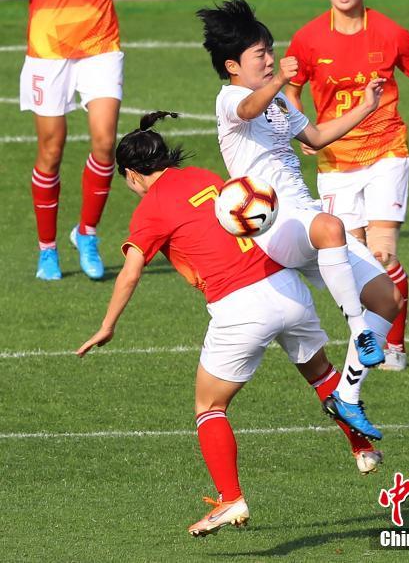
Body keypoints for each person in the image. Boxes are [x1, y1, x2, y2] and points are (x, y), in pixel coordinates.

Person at [77, 112, 385, 538]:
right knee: (321, 374)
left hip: (239, 308)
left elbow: (130, 272)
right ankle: (362, 448)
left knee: (209, 407)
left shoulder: (150, 209)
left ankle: (230, 498)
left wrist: (107, 325)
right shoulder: (204, 177)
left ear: (131, 174)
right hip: (286, 287)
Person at [196, 0, 402, 440]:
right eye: (260, 54)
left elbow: (317, 136)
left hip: (304, 217)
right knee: (332, 227)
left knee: (388, 298)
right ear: (233, 66)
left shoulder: (277, 102)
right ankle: (358, 331)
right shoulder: (230, 99)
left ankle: (347, 395)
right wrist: (281, 82)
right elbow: (248, 111)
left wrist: (366, 106)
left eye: (270, 50)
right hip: (272, 222)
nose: (270, 59)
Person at [284, 0, 409, 371]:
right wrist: (305, 131)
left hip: (387, 152)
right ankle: (370, 338)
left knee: (382, 253)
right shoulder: (308, 39)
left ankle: (391, 346)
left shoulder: (390, 33)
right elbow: (291, 91)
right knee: (352, 263)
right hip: (336, 162)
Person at [5, 0, 133, 281]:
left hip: (101, 41)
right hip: (49, 46)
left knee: (105, 141)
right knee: (51, 149)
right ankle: (47, 249)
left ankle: (87, 233)